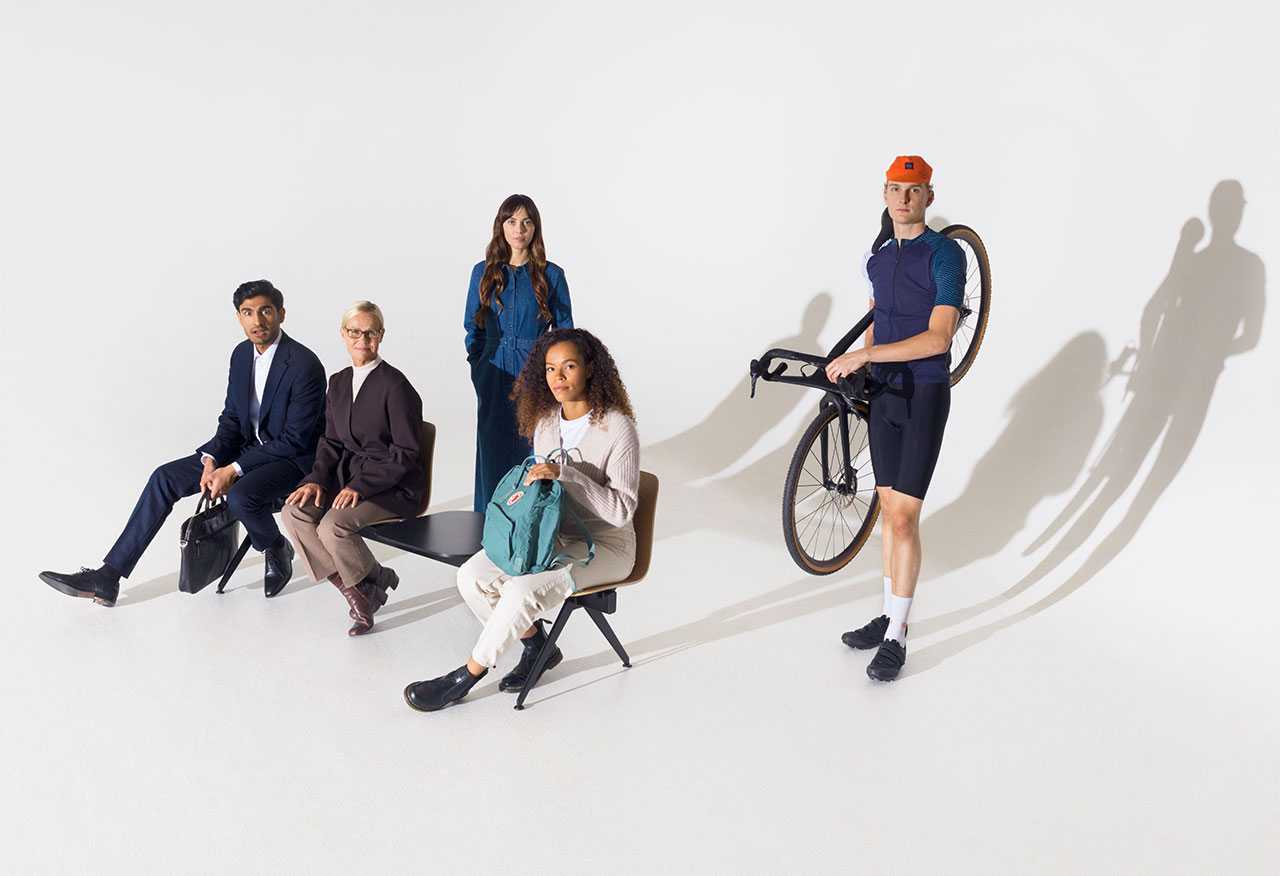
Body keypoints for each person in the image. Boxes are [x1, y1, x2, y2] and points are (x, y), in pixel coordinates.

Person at [39, 280, 326, 605]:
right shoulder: (242, 355)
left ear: (281, 314)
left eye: (265, 311)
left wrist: (232, 469)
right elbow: (232, 418)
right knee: (165, 477)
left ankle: (274, 546)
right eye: (248, 313)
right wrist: (211, 459)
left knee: (241, 495)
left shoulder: (304, 365)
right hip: (248, 450)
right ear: (239, 318)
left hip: (292, 460)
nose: (257, 321)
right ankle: (108, 577)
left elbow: (296, 439)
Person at [405, 328, 638, 712]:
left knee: (519, 591)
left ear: (591, 369)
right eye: (549, 369)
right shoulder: (546, 422)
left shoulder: (617, 428)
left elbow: (620, 511)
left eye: (569, 366)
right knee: (471, 577)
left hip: (606, 545)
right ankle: (539, 647)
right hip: (552, 533)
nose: (558, 378)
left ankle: (465, 676)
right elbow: (544, 496)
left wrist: (567, 474)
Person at [825, 155, 964, 681]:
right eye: (895, 189)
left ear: (929, 195)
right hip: (884, 393)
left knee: (904, 518)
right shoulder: (878, 255)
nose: (904, 198)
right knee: (887, 510)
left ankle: (898, 636)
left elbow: (939, 337)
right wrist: (864, 368)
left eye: (914, 189)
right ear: (884, 194)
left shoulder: (945, 254)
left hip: (924, 392)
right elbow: (876, 322)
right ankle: (887, 615)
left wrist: (866, 358)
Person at [281, 301, 425, 635]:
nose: (363, 338)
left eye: (370, 332)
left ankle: (363, 598)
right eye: (355, 331)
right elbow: (331, 441)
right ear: (344, 334)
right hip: (349, 478)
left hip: (393, 485)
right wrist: (317, 479)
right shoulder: (339, 381)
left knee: (332, 525)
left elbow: (406, 452)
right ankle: (365, 583)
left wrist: (361, 487)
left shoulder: (396, 386)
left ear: (381, 335)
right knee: (295, 512)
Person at [463, 194, 574, 513]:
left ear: (535, 228)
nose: (519, 229)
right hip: (494, 373)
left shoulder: (551, 275)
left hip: (536, 376)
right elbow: (474, 328)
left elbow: (565, 334)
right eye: (511, 221)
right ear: (501, 226)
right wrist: (480, 368)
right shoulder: (482, 272)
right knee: (493, 450)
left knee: (534, 450)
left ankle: (532, 527)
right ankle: (489, 527)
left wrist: (554, 375)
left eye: (526, 222)